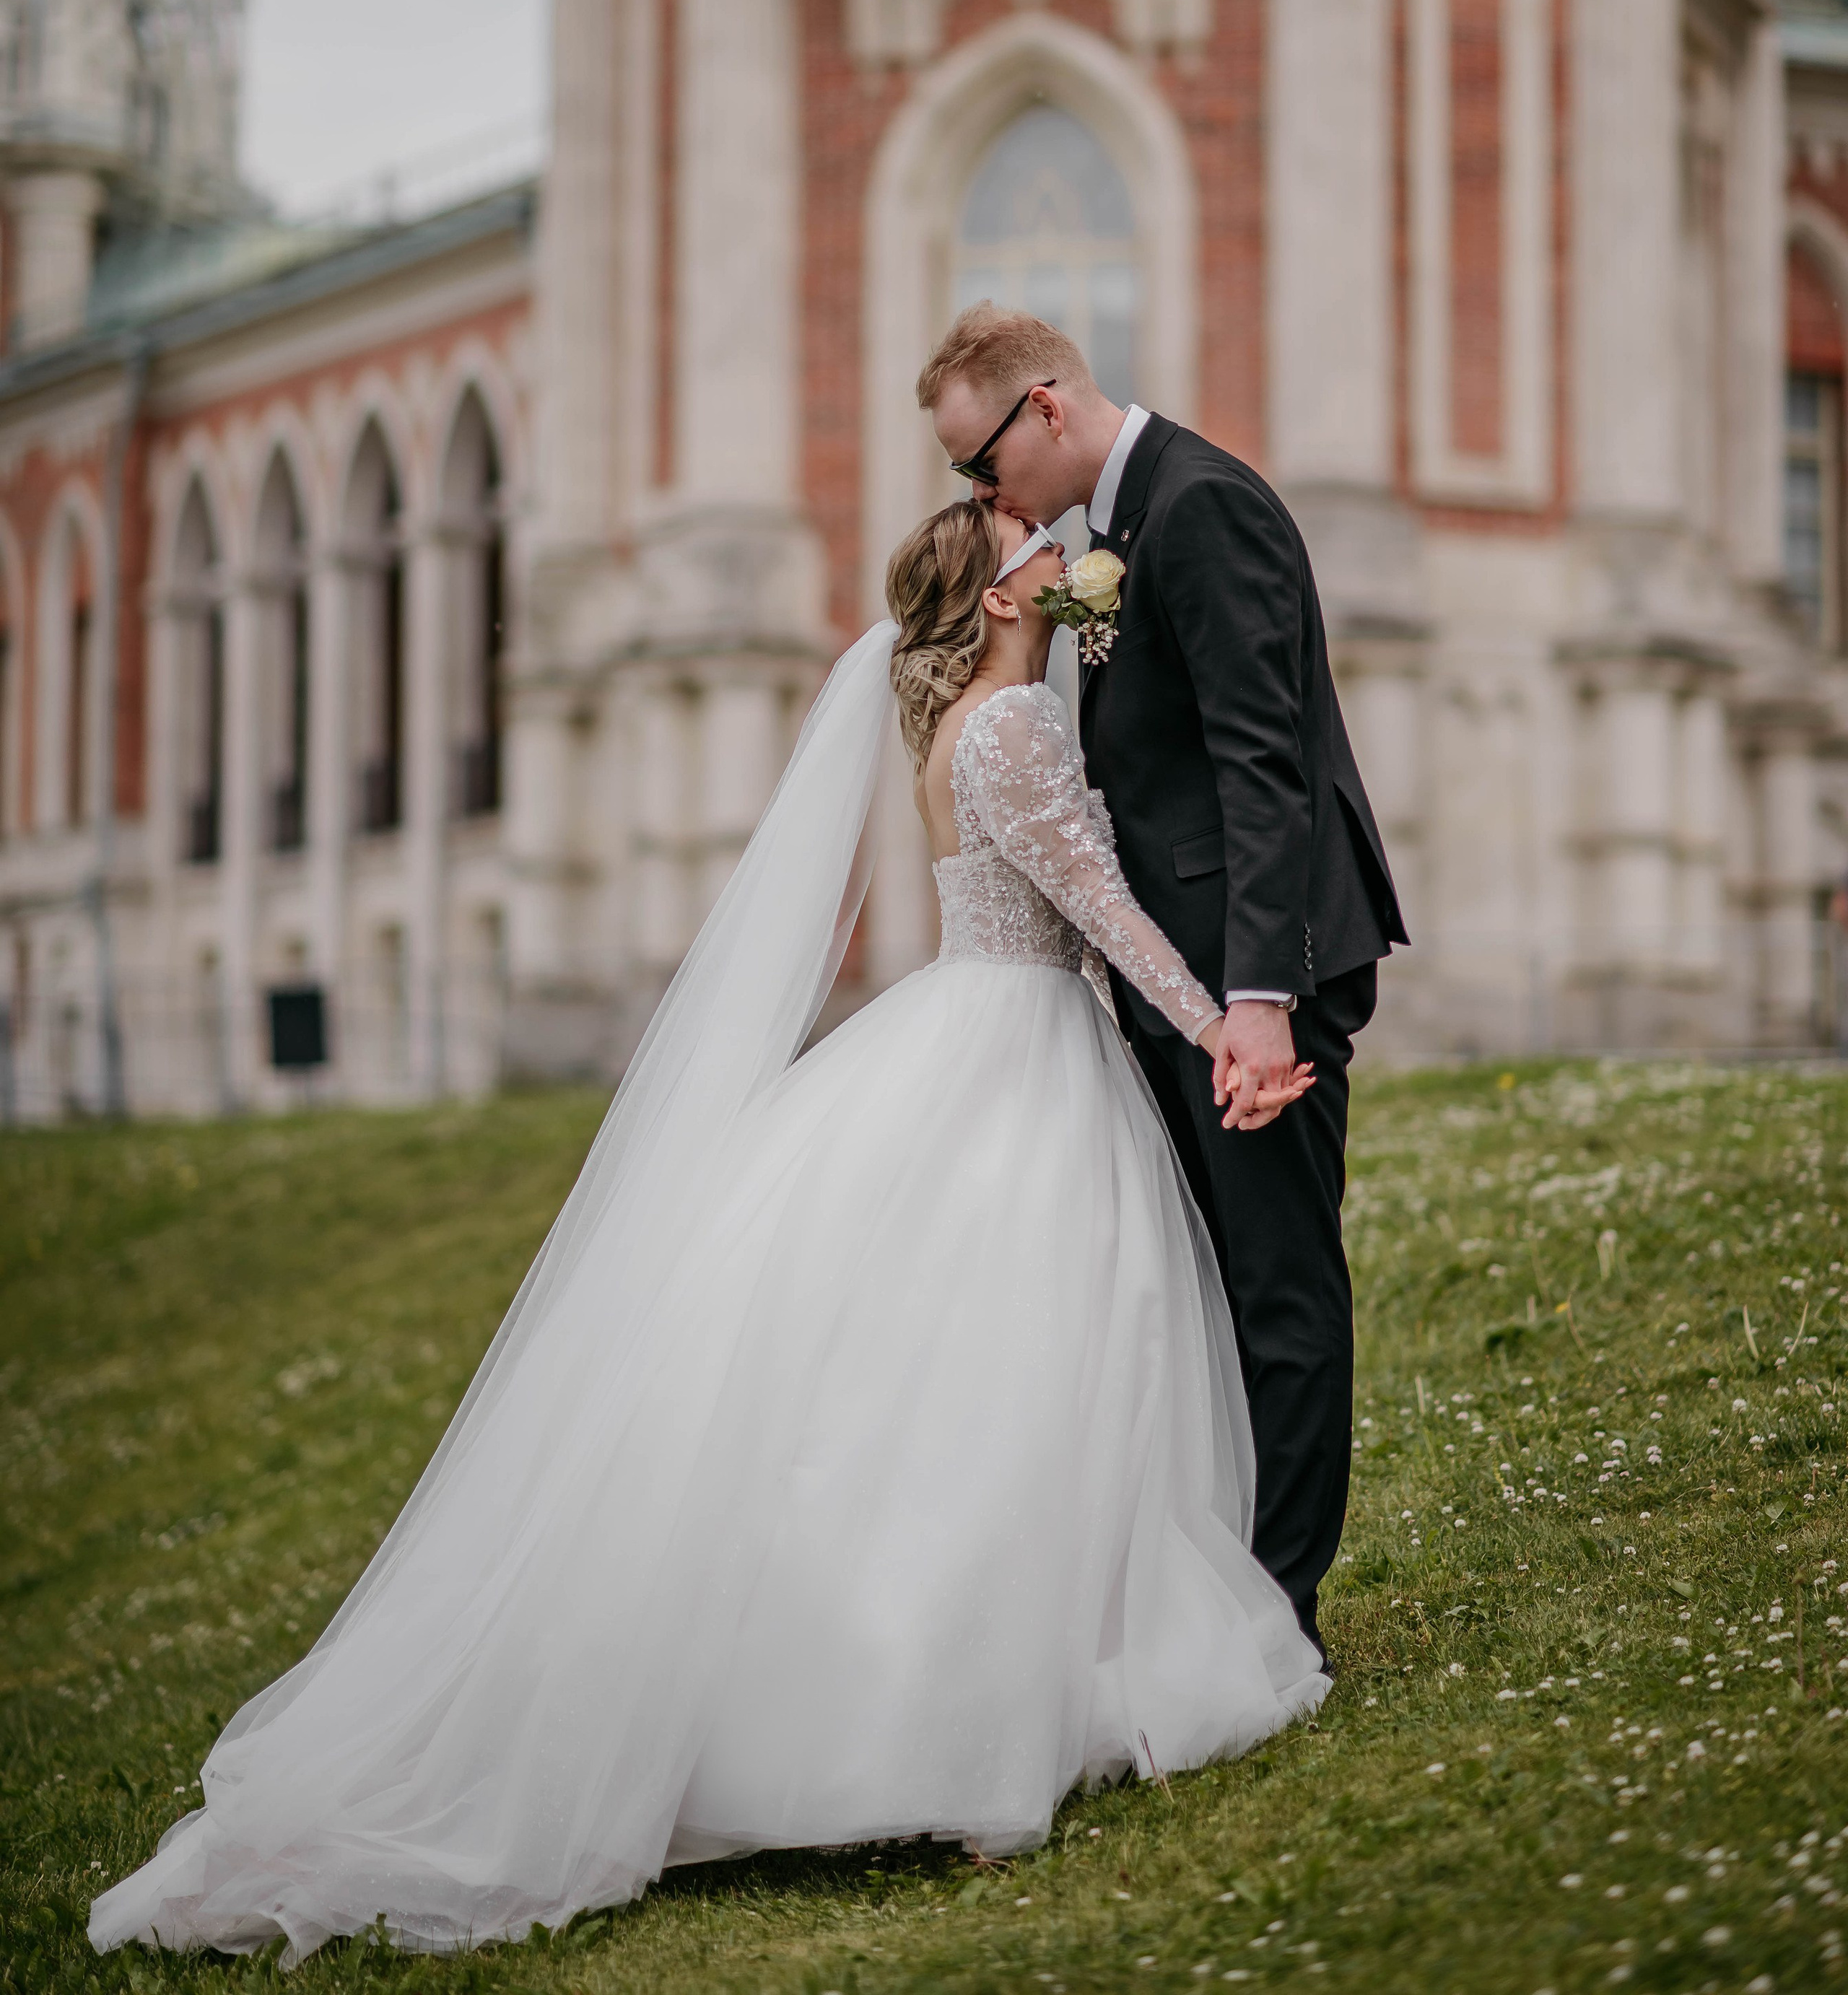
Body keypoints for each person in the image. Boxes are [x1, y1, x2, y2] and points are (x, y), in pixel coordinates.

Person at [90, 502, 1325, 1968]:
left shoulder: (963, 723)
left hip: (977, 1033)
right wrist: (1222, 1032)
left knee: (952, 1383)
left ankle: (959, 1703)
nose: (1060, 561)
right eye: (1031, 554)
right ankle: (952, 1728)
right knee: (1012, 1373)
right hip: (1023, 1050)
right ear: (996, 603)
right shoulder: (1012, 730)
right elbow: (1101, 906)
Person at [921, 305, 1407, 1664]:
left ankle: (1279, 1618)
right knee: (1206, 1289)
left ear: (1048, 410)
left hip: (1252, 986)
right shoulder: (1112, 541)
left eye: (982, 464)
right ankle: (1221, 1592)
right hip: (1176, 984)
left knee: (1279, 1286)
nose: (981, 495)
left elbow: (1265, 764)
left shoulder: (1201, 509)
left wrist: (1257, 997)